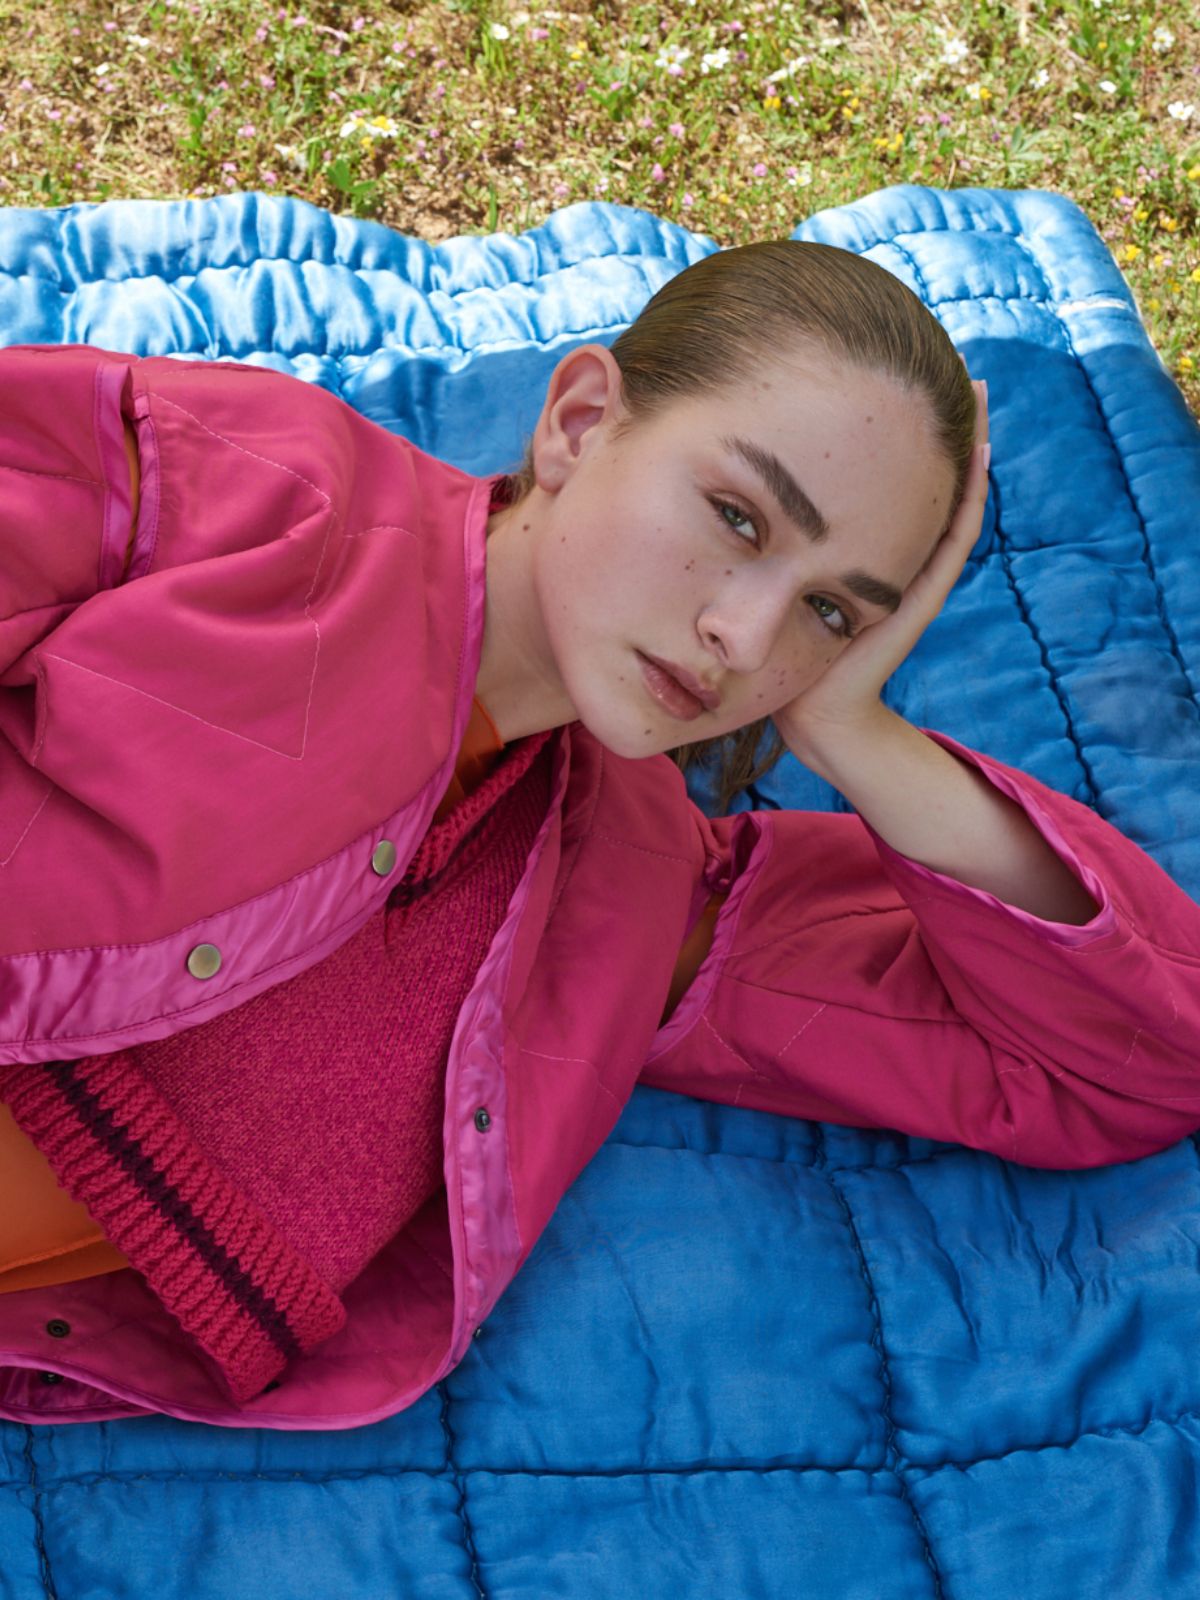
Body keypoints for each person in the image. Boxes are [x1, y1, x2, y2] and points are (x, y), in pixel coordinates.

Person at [1, 241, 1198, 1426]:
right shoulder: (244, 483)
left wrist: (854, 732)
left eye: (831, 611)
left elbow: (1130, 1062)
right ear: (579, 422)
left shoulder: (635, 893)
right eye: (737, 517)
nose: (746, 637)